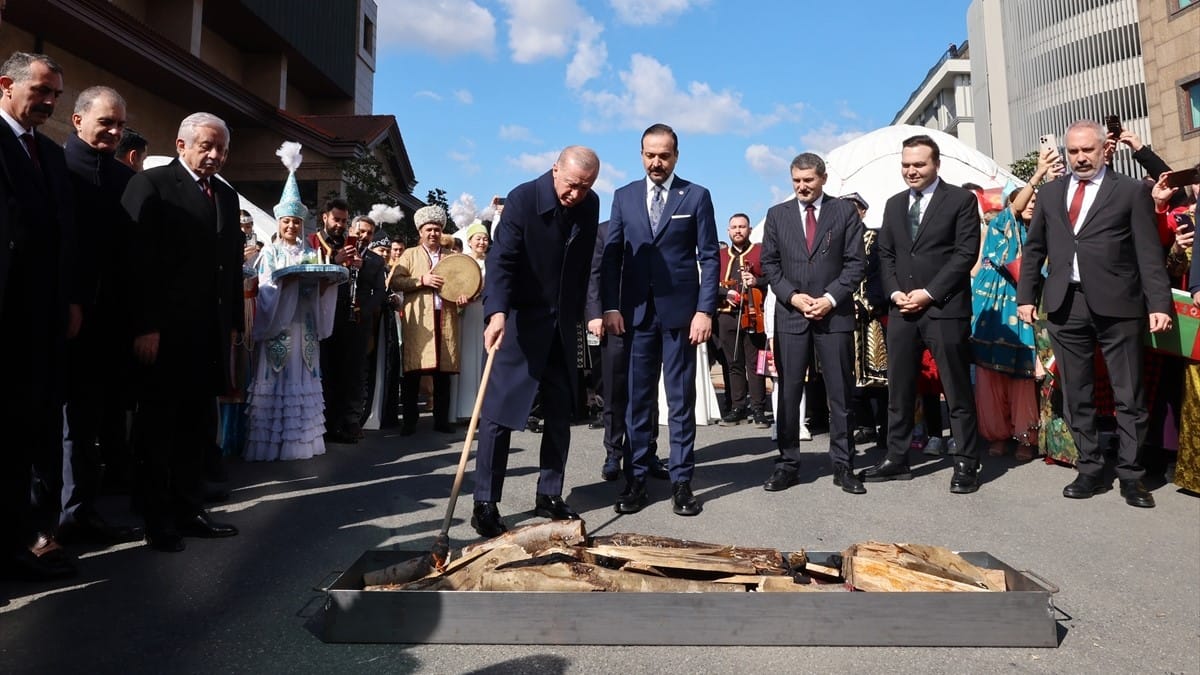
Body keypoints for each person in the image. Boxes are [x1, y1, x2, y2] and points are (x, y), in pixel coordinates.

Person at [1017, 120, 1173, 508]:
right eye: (1073, 151)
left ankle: (1132, 475)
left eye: (1088, 150)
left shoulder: (1130, 191)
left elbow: (1148, 253)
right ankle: (1089, 467)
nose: (1080, 158)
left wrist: (1159, 304)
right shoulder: (1051, 193)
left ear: (1105, 150)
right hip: (1065, 304)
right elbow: (1034, 250)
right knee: (1076, 392)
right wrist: (1026, 297)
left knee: (1129, 393)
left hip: (1119, 304)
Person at [121, 111, 242, 552]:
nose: (214, 156)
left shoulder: (225, 195)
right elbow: (137, 264)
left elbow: (230, 265)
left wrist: (234, 325)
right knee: (159, 429)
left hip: (208, 334)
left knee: (197, 426)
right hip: (164, 332)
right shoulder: (150, 185)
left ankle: (189, 508)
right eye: (207, 146)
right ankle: (156, 517)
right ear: (181, 145)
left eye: (221, 149)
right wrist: (145, 326)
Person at [470, 146, 601, 536]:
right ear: (555, 169)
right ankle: (485, 502)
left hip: (562, 323)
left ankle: (549, 493)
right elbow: (502, 260)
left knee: (560, 412)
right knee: (498, 414)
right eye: (572, 185)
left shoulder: (590, 204)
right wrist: (496, 311)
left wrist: (587, 311)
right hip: (519, 320)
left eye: (586, 187)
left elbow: (584, 266)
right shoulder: (523, 199)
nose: (576, 194)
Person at [601, 123, 719, 517]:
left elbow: (709, 257)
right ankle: (635, 478)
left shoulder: (696, 196)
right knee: (637, 400)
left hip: (681, 317)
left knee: (681, 400)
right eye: (650, 155)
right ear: (641, 155)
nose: (656, 162)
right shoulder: (623, 196)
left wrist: (704, 310)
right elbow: (612, 256)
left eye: (664, 156)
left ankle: (682, 482)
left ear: (676, 156)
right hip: (635, 316)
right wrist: (610, 306)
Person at [862, 134, 984, 494]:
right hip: (902, 310)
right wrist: (895, 292)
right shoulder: (894, 204)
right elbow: (885, 254)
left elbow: (965, 253)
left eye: (919, 164)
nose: (911, 171)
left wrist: (929, 294)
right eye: (906, 165)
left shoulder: (960, 200)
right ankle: (896, 458)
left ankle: (966, 461)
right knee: (899, 388)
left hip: (944, 308)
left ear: (936, 164)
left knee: (956, 389)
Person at [0, 51, 80, 580]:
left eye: (55, 94)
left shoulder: (49, 154)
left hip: (43, 320)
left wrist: (70, 300)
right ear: (6, 84)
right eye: (41, 91)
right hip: (5, 314)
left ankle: (33, 533)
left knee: (36, 432)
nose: (49, 102)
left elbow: (64, 235)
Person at [57, 85, 143, 546]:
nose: (113, 131)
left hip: (109, 323)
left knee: (90, 423)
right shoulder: (55, 167)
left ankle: (80, 512)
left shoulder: (125, 179)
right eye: (105, 122)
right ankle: (53, 517)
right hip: (62, 316)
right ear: (78, 120)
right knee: (60, 424)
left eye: (119, 125)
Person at [760, 153, 866, 494]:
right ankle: (787, 463)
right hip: (791, 315)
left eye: (808, 180)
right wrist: (792, 297)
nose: (802, 186)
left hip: (834, 314)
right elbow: (769, 264)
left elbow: (856, 263)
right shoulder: (777, 215)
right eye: (796, 181)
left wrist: (830, 298)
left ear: (823, 179)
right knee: (789, 392)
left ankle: (843, 464)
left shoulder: (844, 212)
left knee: (840, 392)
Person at [243, 144, 339, 461]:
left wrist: (324, 284)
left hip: (304, 325)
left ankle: (301, 441)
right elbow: (266, 288)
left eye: (296, 222)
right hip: (279, 325)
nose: (291, 226)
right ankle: (271, 444)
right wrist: (286, 283)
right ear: (279, 222)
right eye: (286, 221)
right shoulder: (270, 253)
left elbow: (315, 287)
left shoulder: (311, 253)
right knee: (276, 377)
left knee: (302, 376)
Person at [971, 148, 1062, 461]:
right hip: (993, 309)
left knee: (1023, 373)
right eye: (1026, 199)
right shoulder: (1001, 227)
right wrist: (1037, 176)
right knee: (990, 375)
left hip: (1027, 307)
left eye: (1036, 200)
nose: (1031, 203)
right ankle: (996, 434)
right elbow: (1015, 209)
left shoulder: (1045, 232)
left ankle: (1025, 435)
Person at [585, 220, 670, 482]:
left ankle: (648, 452)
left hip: (649, 321)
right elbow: (594, 275)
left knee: (648, 392)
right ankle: (613, 453)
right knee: (613, 390)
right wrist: (595, 313)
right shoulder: (603, 231)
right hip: (614, 321)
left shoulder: (653, 228)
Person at [309, 201, 386, 443]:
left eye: (344, 221)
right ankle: (327, 424)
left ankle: (346, 422)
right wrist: (339, 261)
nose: (362, 236)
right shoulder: (321, 245)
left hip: (355, 320)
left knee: (351, 372)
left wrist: (364, 308)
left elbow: (379, 292)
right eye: (338, 220)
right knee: (329, 370)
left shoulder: (369, 257)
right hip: (328, 317)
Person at [387, 206, 466, 435]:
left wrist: (463, 296)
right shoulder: (410, 255)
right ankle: (409, 421)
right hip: (419, 320)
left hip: (445, 317)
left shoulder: (451, 257)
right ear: (420, 232)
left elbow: (462, 283)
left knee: (443, 373)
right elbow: (395, 282)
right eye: (429, 229)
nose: (433, 233)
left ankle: (441, 420)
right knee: (413, 370)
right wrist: (422, 280)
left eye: (437, 229)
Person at [716, 212, 769, 428]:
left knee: (755, 363)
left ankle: (758, 408)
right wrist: (725, 293)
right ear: (728, 231)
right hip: (726, 315)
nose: (738, 230)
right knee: (733, 363)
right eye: (734, 227)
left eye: (742, 227)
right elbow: (709, 282)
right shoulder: (720, 255)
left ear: (749, 230)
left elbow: (772, 277)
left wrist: (756, 280)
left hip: (753, 314)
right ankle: (738, 407)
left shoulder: (759, 251)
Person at [450, 221, 488, 421]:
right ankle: (464, 410)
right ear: (470, 241)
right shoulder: (462, 261)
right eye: (478, 238)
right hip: (466, 313)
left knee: (483, 358)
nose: (482, 242)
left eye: (485, 239)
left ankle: (484, 409)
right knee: (466, 358)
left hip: (485, 312)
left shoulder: (492, 262)